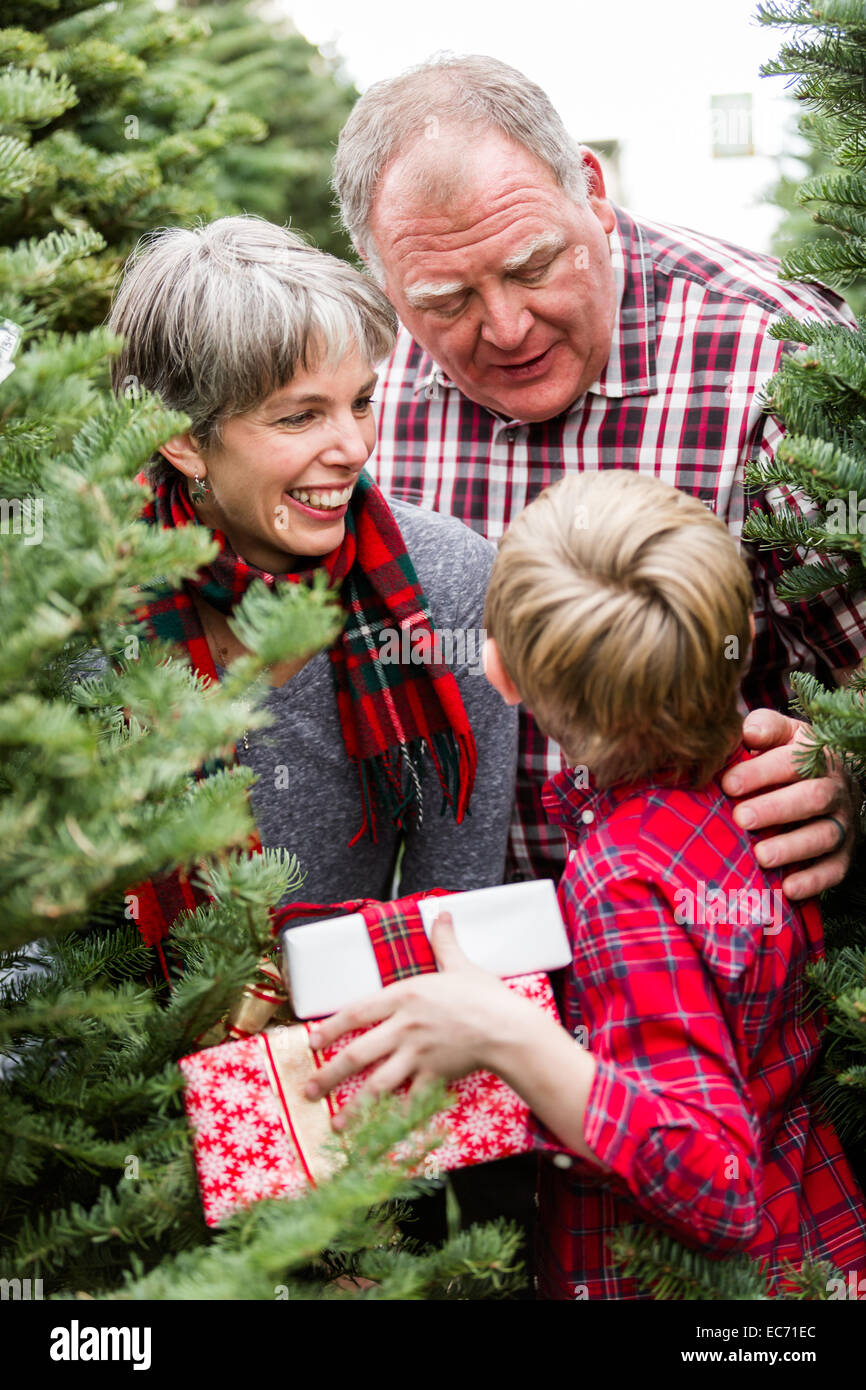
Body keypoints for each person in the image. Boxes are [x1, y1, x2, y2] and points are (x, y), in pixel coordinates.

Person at [304, 470, 866, 1300]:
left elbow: (715, 1180)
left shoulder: (624, 880)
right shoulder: (762, 788)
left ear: (500, 673)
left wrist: (509, 1038)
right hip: (819, 1232)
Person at [332, 52, 866, 898]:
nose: (505, 327)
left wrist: (848, 774)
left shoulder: (773, 359)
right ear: (383, 281)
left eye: (533, 266)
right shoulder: (349, 397)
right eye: (445, 300)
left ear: (591, 189)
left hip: (720, 964)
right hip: (473, 970)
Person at [106, 215, 517, 935]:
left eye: (360, 401)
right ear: (181, 438)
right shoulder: (80, 612)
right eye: (300, 418)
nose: (355, 447)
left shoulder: (446, 583)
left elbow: (454, 911)